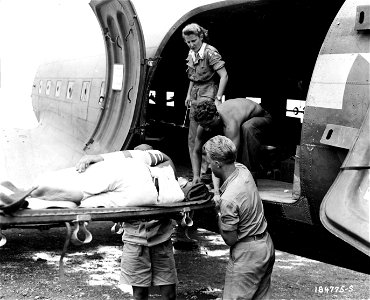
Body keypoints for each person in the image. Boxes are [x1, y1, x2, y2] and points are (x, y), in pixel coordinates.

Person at [0, 145, 179, 300]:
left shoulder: (142, 163)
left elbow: (134, 155)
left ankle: (30, 194)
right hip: (143, 194)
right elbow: (143, 156)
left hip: (141, 195)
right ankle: (31, 195)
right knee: (84, 199)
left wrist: (101, 157)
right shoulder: (162, 172)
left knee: (83, 198)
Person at [203, 135, 275, 300]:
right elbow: (221, 172)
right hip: (265, 245)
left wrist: (218, 212)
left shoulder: (228, 200)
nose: (207, 165)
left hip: (247, 254)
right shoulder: (242, 170)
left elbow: (230, 239)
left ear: (217, 163)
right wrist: (216, 191)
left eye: (208, 162)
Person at [191, 98, 272, 192]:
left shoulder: (230, 123)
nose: (207, 129)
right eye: (204, 126)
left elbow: (231, 157)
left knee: (247, 127)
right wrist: (196, 176)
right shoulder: (204, 124)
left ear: (217, 115)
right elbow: (196, 151)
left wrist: (221, 183)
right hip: (239, 122)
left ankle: (250, 177)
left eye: (209, 124)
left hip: (263, 118)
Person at [182, 23, 228, 170]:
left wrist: (218, 98)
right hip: (195, 95)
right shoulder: (191, 53)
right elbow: (192, 76)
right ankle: (197, 173)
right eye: (188, 42)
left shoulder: (210, 52)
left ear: (201, 36)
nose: (191, 44)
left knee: (205, 134)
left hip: (208, 93)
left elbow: (224, 75)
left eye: (193, 41)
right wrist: (188, 94)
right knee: (192, 136)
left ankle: (208, 171)